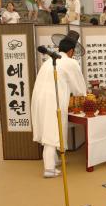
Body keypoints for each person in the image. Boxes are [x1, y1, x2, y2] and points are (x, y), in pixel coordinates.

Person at [31, 30, 86, 178]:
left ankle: (53, 160)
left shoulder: (49, 61)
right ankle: (48, 169)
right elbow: (79, 89)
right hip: (51, 99)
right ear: (71, 51)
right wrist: (84, 96)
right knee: (51, 131)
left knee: (47, 129)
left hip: (38, 98)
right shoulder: (70, 62)